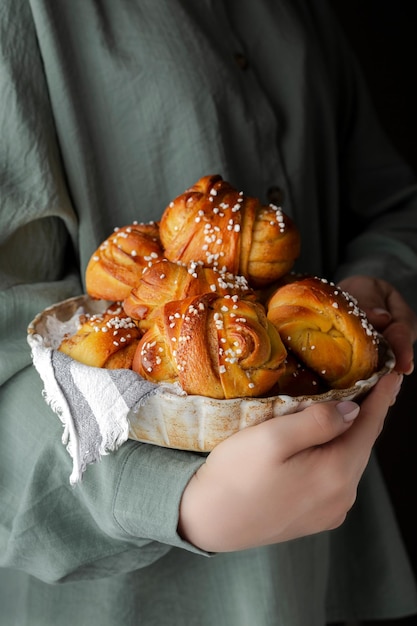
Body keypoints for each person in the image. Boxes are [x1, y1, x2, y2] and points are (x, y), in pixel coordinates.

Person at [1, 1, 417, 625]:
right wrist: (174, 498)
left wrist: (373, 283)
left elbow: (386, 200)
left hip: (325, 565)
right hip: (130, 600)